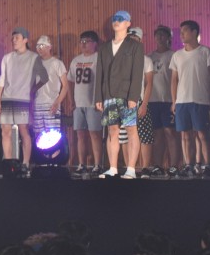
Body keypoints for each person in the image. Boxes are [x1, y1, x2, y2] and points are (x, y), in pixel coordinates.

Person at [94, 11, 144, 179]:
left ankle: (131, 169)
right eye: (115, 19)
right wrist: (99, 97)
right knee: (112, 130)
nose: (117, 21)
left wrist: (133, 97)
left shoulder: (135, 46)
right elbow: (100, 73)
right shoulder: (104, 47)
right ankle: (113, 168)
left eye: (121, 19)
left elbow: (137, 73)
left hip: (126, 94)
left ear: (128, 23)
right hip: (109, 94)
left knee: (131, 130)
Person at [0, 27, 49, 170]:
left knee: (23, 130)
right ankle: (8, 163)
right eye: (13, 38)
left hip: (23, 99)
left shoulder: (33, 57)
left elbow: (44, 77)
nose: (14, 40)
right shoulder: (7, 58)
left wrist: (33, 89)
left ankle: (25, 163)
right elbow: (2, 80)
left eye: (17, 38)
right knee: (5, 131)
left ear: (25, 40)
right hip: (7, 98)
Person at [170, 20, 210, 178]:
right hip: (182, 101)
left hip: (200, 100)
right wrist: (174, 101)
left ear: (195, 32)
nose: (181, 34)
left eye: (184, 31)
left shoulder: (206, 52)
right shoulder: (177, 55)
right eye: (180, 31)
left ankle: (208, 166)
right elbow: (174, 80)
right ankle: (188, 165)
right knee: (185, 135)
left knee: (203, 134)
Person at [68, 31, 102, 177]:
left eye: (86, 41)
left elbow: (104, 80)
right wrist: (71, 100)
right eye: (81, 41)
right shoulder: (76, 60)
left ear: (95, 43)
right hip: (78, 103)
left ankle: (97, 164)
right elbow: (70, 80)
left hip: (93, 103)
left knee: (95, 134)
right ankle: (81, 164)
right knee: (80, 135)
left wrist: (100, 99)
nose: (83, 44)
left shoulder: (99, 58)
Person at [147, 25, 179, 177]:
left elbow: (177, 79)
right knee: (157, 134)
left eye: (162, 35)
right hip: (153, 101)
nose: (159, 37)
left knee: (170, 132)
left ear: (168, 38)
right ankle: (158, 165)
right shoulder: (149, 57)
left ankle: (174, 166)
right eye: (157, 34)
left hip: (168, 100)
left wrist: (175, 100)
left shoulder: (174, 55)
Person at [127, 28, 157, 178]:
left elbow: (149, 83)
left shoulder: (146, 60)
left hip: (139, 100)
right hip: (125, 102)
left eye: (135, 39)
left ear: (140, 41)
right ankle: (130, 167)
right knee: (127, 136)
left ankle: (145, 167)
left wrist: (144, 104)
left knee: (145, 135)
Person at [33, 35, 68, 139]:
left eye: (42, 45)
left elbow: (65, 86)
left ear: (49, 47)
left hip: (51, 104)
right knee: (39, 137)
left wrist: (57, 102)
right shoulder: (35, 64)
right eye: (37, 46)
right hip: (37, 104)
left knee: (53, 136)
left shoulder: (57, 63)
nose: (39, 48)